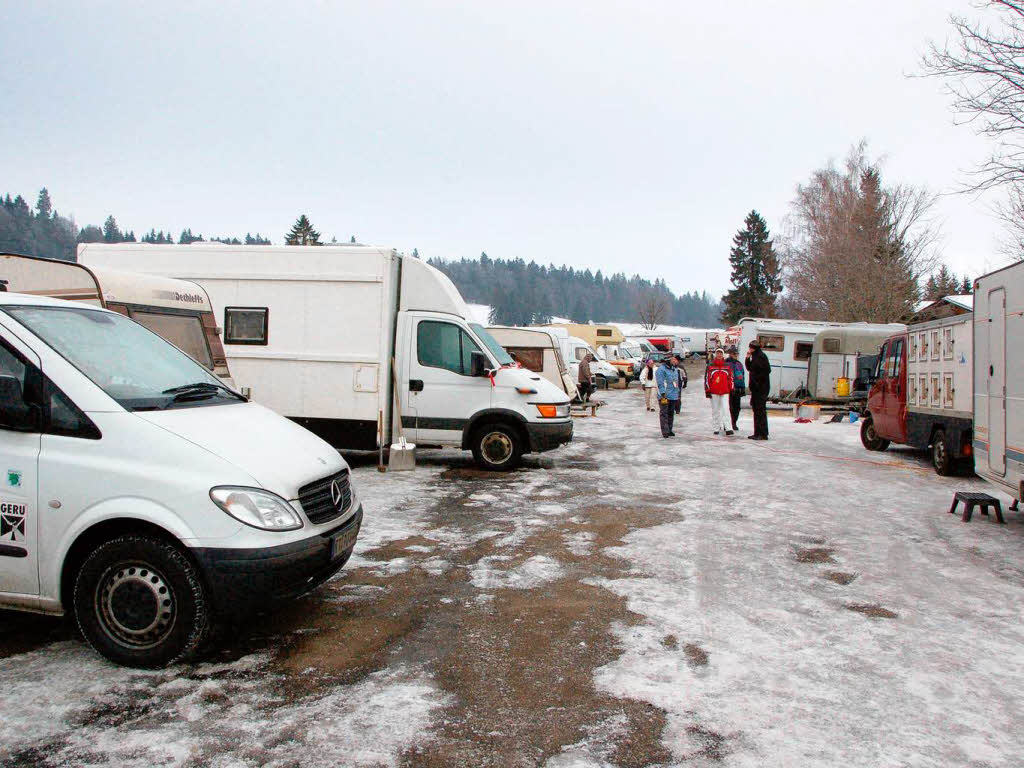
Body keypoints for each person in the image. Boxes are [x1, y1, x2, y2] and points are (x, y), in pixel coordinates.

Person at [704, 348, 734, 435]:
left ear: (723, 354)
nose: (719, 355)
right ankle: (716, 427)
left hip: (725, 391)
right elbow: (707, 379)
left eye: (721, 353)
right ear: (715, 355)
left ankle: (728, 428)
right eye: (717, 353)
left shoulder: (727, 366)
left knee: (726, 409)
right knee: (715, 410)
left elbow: (731, 378)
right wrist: (707, 390)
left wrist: (731, 388)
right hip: (714, 391)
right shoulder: (710, 366)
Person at [746, 339, 772, 440]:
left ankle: (762, 433)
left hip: (760, 389)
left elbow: (765, 371)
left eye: (751, 348)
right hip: (757, 389)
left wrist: (757, 383)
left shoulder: (760, 357)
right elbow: (750, 368)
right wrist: (747, 358)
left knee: (760, 411)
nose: (749, 349)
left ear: (754, 348)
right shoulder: (756, 356)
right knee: (756, 410)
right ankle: (758, 432)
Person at [655, 354, 681, 438]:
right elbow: (660, 382)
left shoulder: (674, 369)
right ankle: (665, 431)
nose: (674, 361)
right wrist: (663, 393)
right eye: (672, 359)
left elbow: (676, 382)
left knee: (671, 413)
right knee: (664, 414)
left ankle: (670, 429)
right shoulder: (661, 370)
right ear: (668, 360)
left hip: (673, 395)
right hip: (664, 396)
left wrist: (678, 394)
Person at [724, 347, 746, 432]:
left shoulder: (739, 364)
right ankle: (728, 424)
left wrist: (743, 388)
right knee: (729, 407)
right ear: (730, 354)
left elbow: (742, 376)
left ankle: (734, 422)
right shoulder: (726, 363)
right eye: (734, 354)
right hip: (728, 389)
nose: (735, 355)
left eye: (736, 354)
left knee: (737, 408)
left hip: (737, 388)